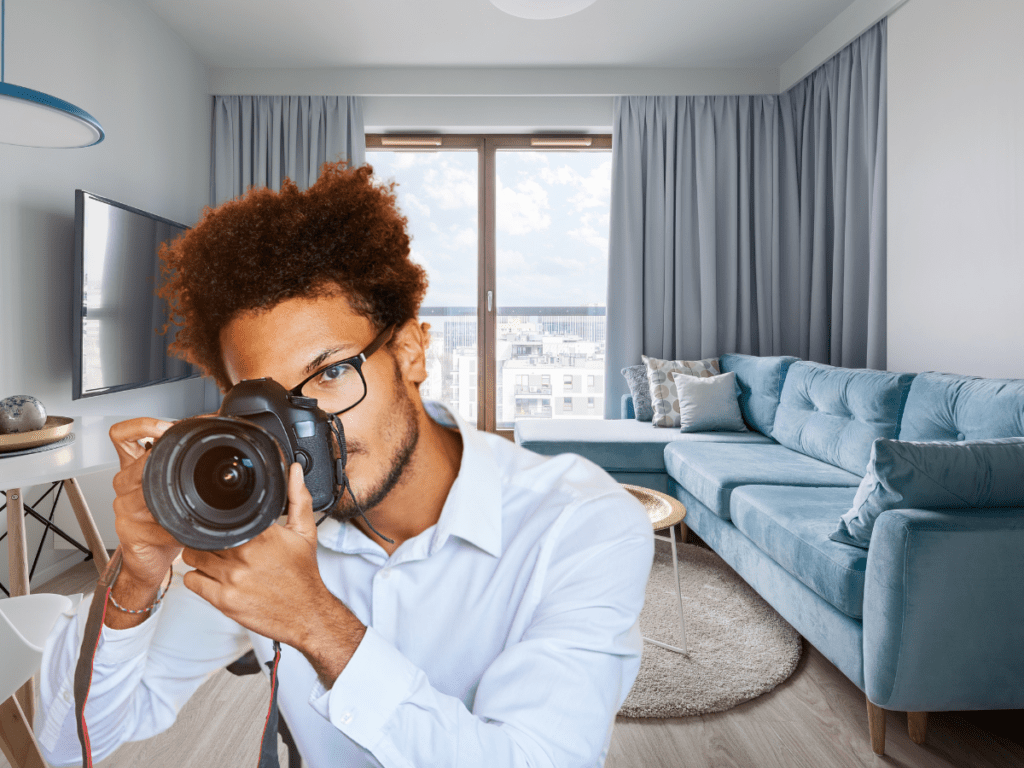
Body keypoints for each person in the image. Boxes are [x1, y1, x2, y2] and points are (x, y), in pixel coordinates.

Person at [38, 161, 654, 768]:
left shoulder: (579, 522)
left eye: (331, 373)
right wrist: (136, 581)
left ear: (410, 350)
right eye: (271, 403)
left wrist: (317, 623)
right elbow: (71, 741)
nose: (309, 430)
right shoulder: (257, 529)